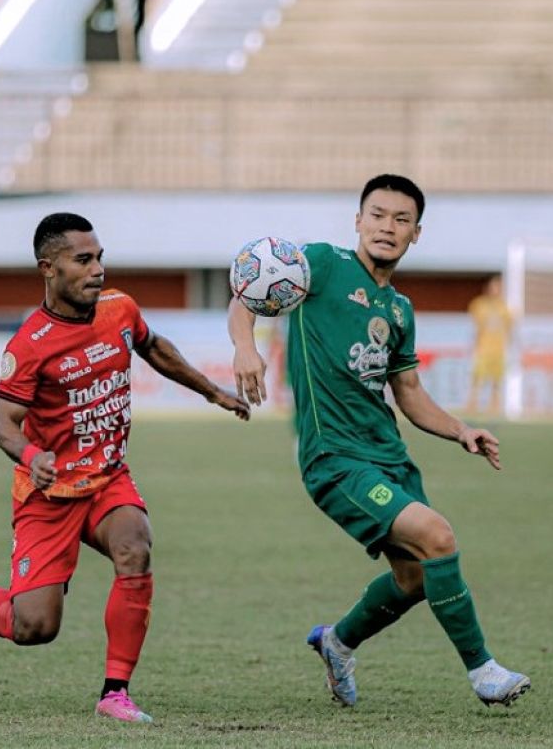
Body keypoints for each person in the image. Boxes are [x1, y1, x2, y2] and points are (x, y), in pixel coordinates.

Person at [0, 213, 248, 724]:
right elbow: (3, 426)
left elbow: (153, 348)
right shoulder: (28, 346)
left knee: (135, 546)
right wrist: (34, 459)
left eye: (100, 257)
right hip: (48, 494)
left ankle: (115, 693)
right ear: (49, 268)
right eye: (83, 260)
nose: (97, 269)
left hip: (106, 478)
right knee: (34, 626)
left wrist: (211, 391)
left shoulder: (119, 309)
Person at [228, 174, 530, 709]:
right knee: (438, 535)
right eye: (378, 214)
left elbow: (409, 392)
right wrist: (244, 347)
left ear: (416, 233)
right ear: (358, 220)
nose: (387, 227)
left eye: (401, 219)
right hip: (334, 458)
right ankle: (483, 670)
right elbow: (246, 291)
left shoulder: (399, 310)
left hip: (388, 456)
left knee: (414, 577)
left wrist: (461, 429)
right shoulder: (319, 264)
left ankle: (337, 643)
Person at [467, 275, 512, 415]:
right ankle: (472, 404)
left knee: (496, 381)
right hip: (483, 349)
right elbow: (475, 328)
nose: (495, 290)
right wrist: (474, 346)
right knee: (477, 379)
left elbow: (508, 329)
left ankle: (494, 406)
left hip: (498, 350)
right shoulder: (479, 305)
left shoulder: (505, 308)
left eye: (498, 287)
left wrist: (508, 346)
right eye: (493, 286)